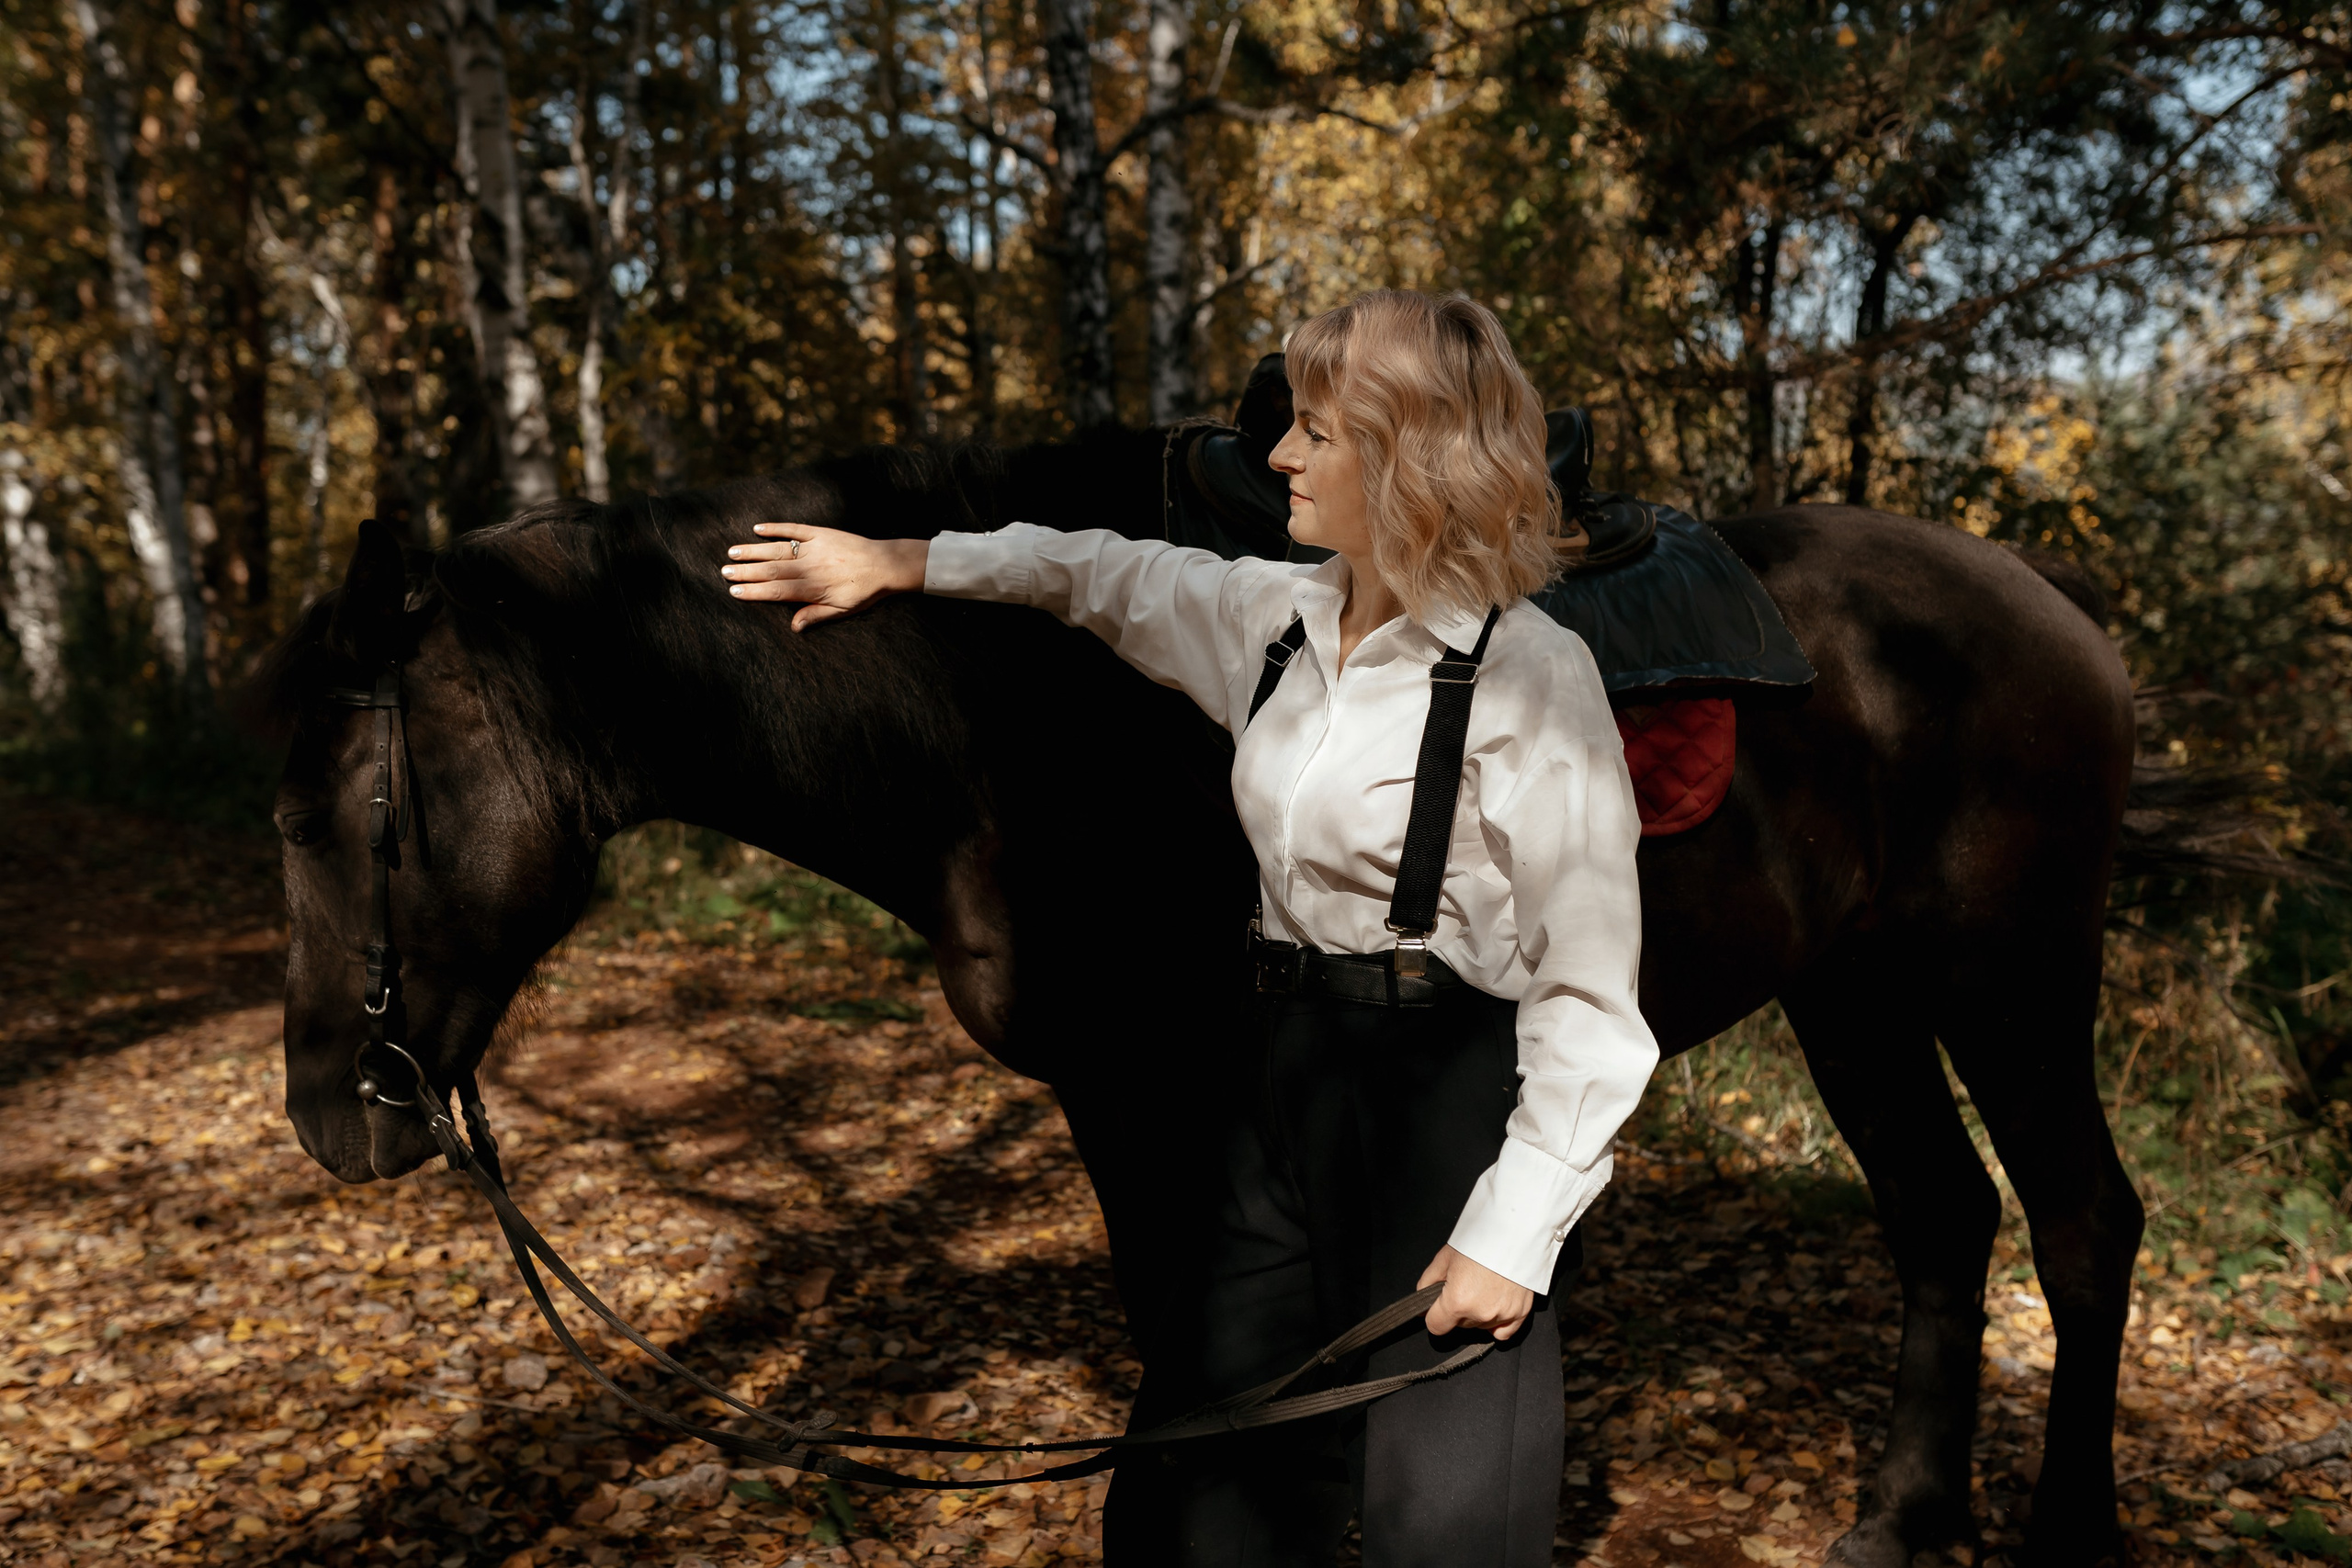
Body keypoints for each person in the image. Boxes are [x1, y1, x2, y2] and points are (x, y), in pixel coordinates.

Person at [722, 290, 1658, 1566]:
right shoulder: (1276, 624)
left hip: (1442, 1109)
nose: (1279, 455)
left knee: (1440, 1530)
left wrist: (1516, 1226)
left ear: (1409, 455)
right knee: (1190, 1500)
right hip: (1273, 1082)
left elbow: (1592, 998)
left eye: (1317, 433)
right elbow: (1095, 571)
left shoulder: (1530, 676)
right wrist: (902, 559)